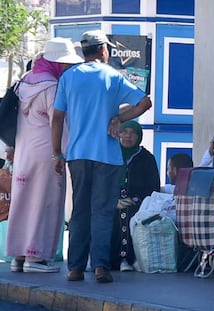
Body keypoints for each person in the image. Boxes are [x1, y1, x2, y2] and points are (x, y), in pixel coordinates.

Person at [51, 30, 152, 283]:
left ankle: (75, 267)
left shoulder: (68, 77)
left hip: (77, 155)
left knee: (80, 211)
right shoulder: (113, 76)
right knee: (103, 212)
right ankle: (100, 267)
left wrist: (56, 153)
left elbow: (57, 118)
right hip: (108, 156)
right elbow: (144, 103)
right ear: (103, 50)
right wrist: (119, 118)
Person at [5, 38, 83, 273]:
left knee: (23, 203)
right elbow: (57, 122)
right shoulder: (51, 87)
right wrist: (63, 153)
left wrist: (11, 148)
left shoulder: (24, 82)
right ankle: (36, 258)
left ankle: (18, 256)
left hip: (23, 152)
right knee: (45, 202)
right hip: (48, 153)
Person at [110, 120, 160, 272]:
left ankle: (128, 258)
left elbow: (153, 188)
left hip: (138, 203)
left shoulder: (146, 158)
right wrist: (114, 200)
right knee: (112, 215)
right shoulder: (110, 155)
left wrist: (134, 200)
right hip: (111, 201)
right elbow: (102, 182)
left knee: (129, 214)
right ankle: (113, 259)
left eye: (132, 133)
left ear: (139, 136)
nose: (128, 136)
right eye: (124, 132)